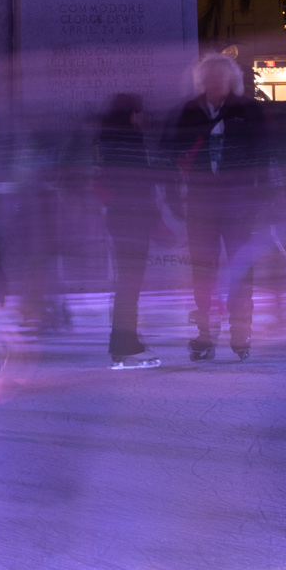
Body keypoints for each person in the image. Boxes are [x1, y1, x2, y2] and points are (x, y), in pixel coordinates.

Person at [169, 54, 275, 353]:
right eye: (209, 76)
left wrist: (260, 197)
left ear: (231, 79)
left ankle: (240, 332)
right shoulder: (190, 111)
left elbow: (263, 155)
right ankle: (205, 334)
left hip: (238, 202)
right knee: (202, 269)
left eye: (220, 76)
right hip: (201, 201)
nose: (214, 81)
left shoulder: (249, 110)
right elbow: (174, 151)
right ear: (202, 80)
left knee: (240, 269)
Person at [95, 94, 165, 369]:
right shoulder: (129, 139)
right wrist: (154, 217)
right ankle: (124, 344)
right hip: (133, 219)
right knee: (129, 284)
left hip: (122, 218)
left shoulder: (110, 138)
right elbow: (137, 183)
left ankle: (126, 339)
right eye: (142, 112)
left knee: (127, 284)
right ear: (133, 113)